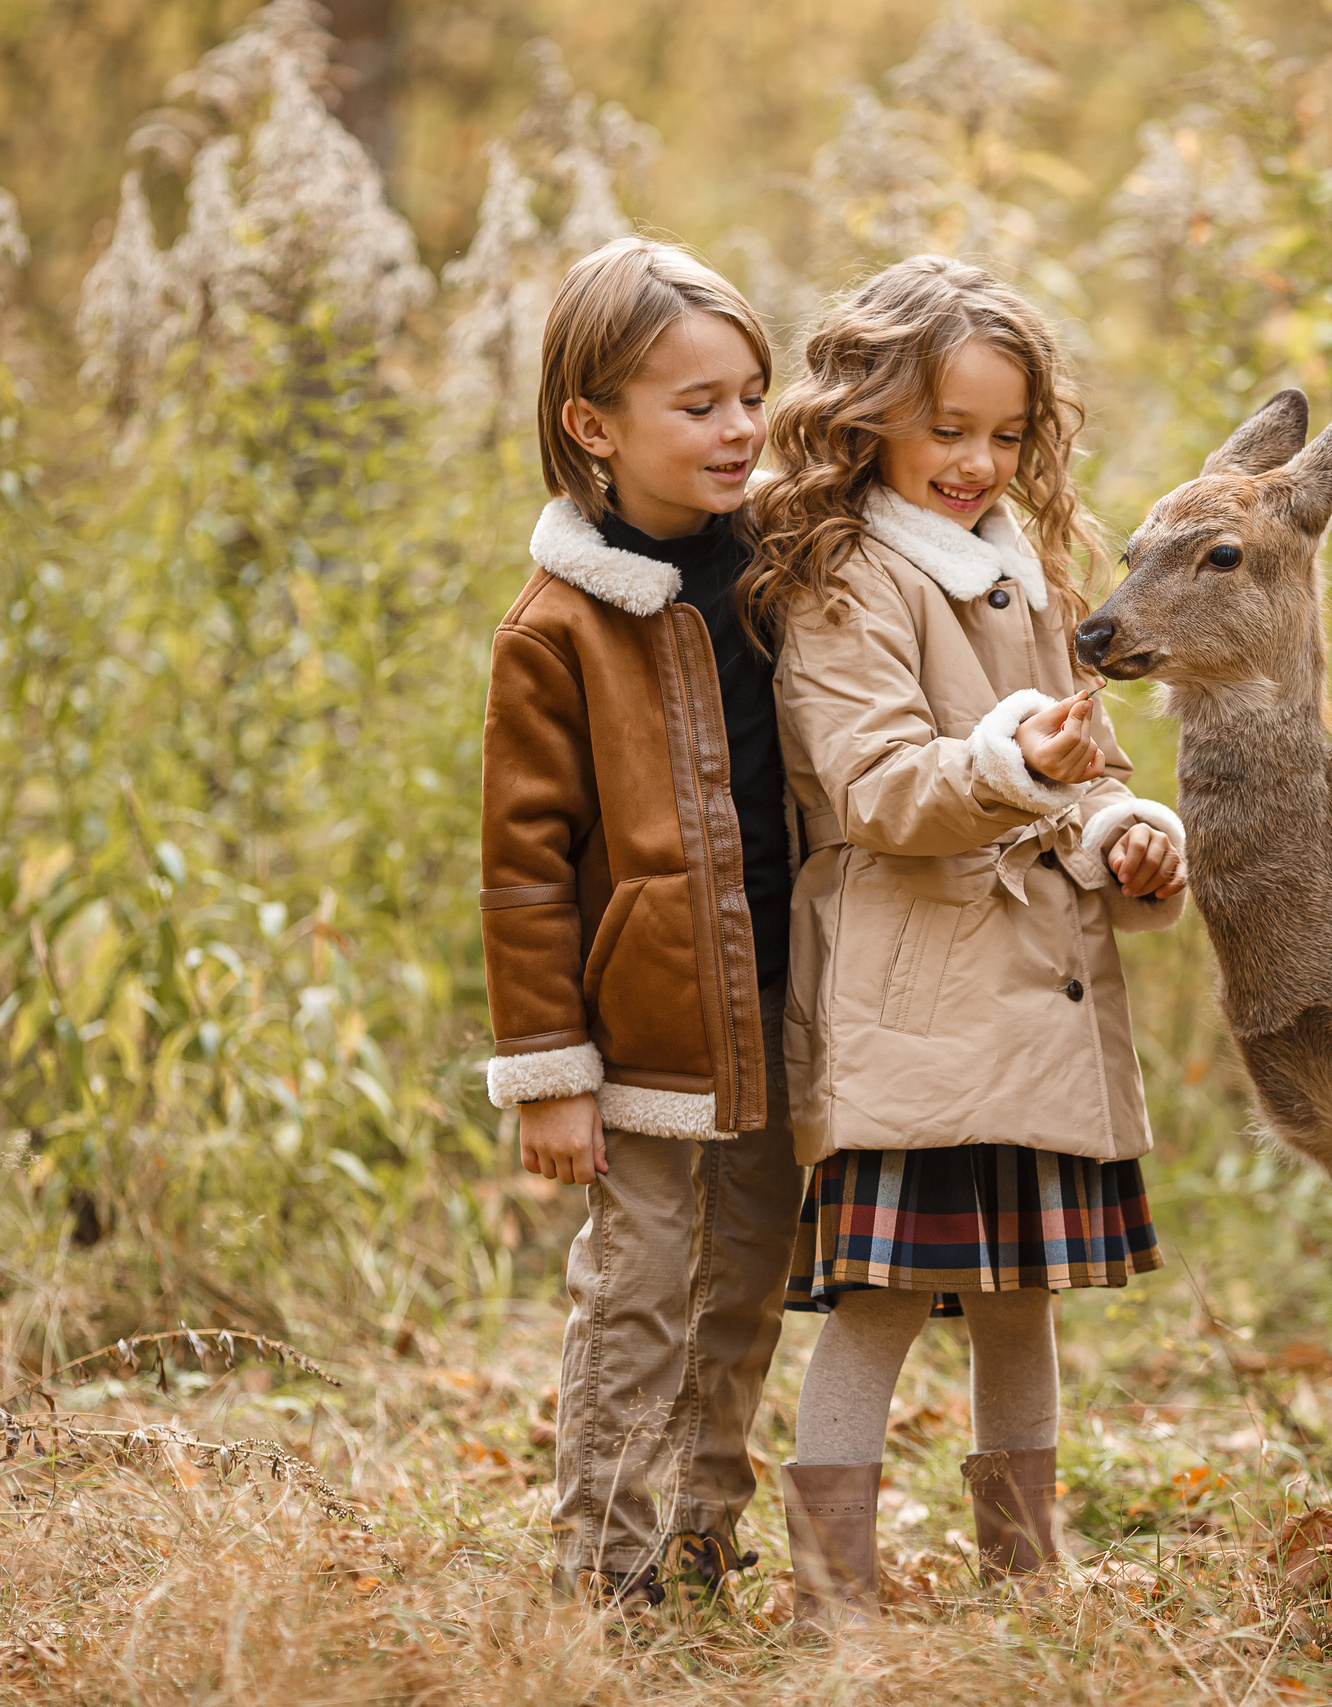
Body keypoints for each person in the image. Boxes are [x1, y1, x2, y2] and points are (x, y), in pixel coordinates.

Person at [744, 254, 1189, 1628]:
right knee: (878, 1296)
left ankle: (1027, 1574)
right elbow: (876, 788)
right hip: (918, 994)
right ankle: (833, 1596)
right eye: (948, 429)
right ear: (870, 415)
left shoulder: (1027, 572)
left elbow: (1082, 767)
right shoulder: (846, 580)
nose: (978, 462)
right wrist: (1017, 765)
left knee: (1020, 1299)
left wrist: (1125, 831)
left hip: (1034, 991)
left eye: (1006, 434)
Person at [476, 237, 799, 1608]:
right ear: (594, 425)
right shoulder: (558, 629)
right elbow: (524, 870)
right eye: (698, 405)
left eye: (752, 397)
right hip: (646, 1027)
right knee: (640, 1284)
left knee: (748, 1275)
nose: (738, 430)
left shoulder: (787, 567)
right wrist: (551, 1071)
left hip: (782, 999)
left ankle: (702, 1531)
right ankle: (606, 1561)